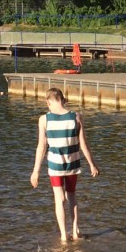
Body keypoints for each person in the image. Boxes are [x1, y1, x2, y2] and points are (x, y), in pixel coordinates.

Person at [30, 88, 99, 242]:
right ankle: (75, 231)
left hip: (55, 166)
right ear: (63, 99)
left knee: (59, 199)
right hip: (72, 163)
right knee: (72, 195)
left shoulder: (44, 120)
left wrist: (36, 171)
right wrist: (92, 165)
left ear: (48, 103)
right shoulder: (76, 116)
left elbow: (41, 146)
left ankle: (63, 235)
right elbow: (84, 144)